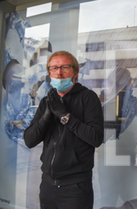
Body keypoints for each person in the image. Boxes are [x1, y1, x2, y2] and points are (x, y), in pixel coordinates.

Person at [24, 51, 104, 209]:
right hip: (47, 185)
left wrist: (65, 116)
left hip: (75, 187)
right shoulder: (47, 101)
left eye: (65, 67)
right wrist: (47, 116)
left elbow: (95, 138)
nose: (59, 73)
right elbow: (29, 140)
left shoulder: (88, 98)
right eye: (54, 68)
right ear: (49, 73)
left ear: (75, 73)